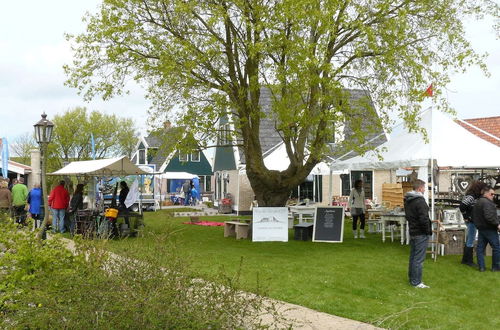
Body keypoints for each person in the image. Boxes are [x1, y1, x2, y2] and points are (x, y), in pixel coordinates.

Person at [404, 179, 432, 288]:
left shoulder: (408, 200)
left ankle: (412, 278)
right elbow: (424, 218)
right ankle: (416, 281)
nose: (425, 190)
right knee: (419, 259)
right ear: (420, 188)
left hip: (413, 230)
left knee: (413, 256)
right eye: (424, 188)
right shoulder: (420, 201)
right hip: (420, 232)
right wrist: (427, 231)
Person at [459, 181, 487, 267]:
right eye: (483, 189)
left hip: (472, 220)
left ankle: (465, 260)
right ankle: (469, 261)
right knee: (470, 240)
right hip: (471, 221)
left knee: (469, 239)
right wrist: (466, 216)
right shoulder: (471, 196)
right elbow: (462, 206)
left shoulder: (475, 196)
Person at [472, 186, 500, 272]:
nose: (493, 196)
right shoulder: (487, 203)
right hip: (489, 228)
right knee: (496, 248)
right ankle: (496, 267)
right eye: (492, 194)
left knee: (480, 249)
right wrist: (497, 224)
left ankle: (481, 267)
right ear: (486, 193)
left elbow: (474, 216)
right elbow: (489, 217)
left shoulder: (477, 202)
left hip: (481, 228)